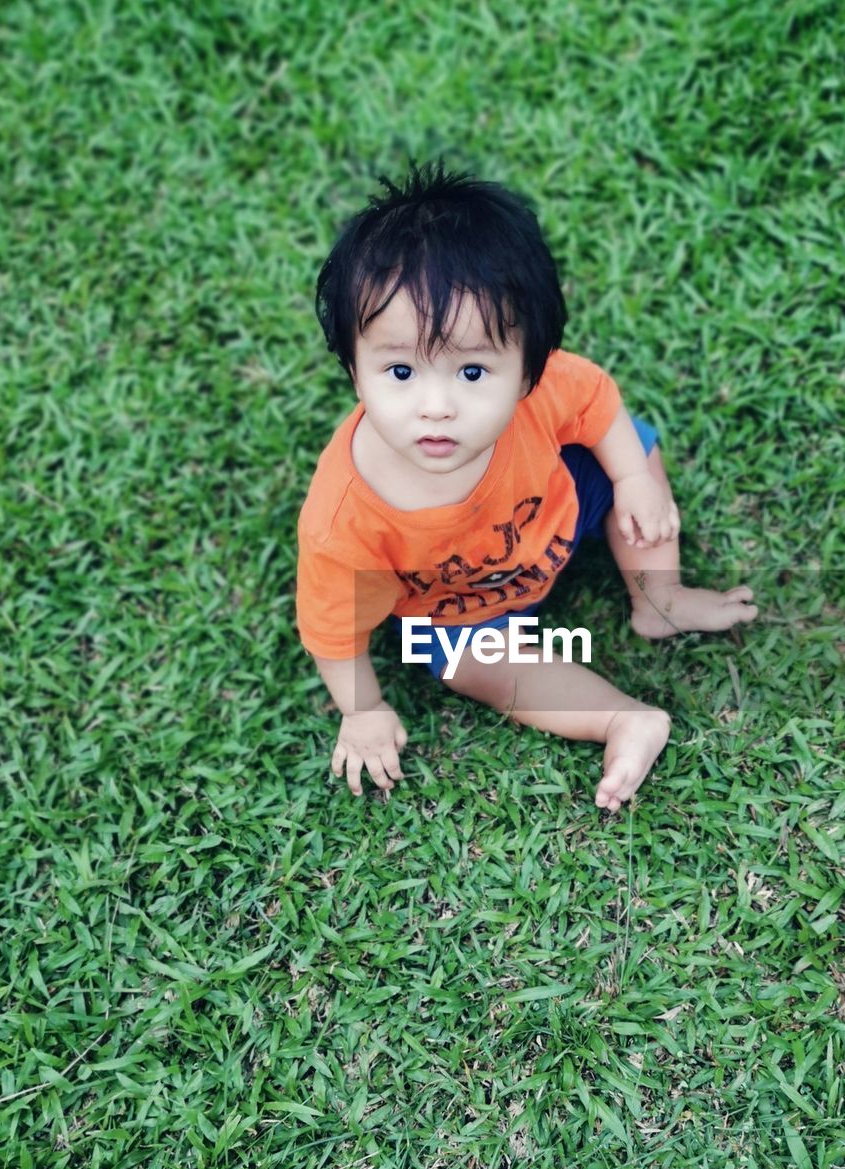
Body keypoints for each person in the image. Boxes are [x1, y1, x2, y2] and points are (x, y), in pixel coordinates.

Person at [297, 161, 758, 812]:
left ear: (527, 371)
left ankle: (660, 597)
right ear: (353, 368)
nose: (436, 406)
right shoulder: (346, 518)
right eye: (400, 370)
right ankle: (620, 719)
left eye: (473, 372)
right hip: (462, 610)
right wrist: (362, 708)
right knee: (473, 668)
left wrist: (631, 480)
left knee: (635, 445)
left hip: (558, 511)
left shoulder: (547, 392)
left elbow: (597, 401)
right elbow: (334, 629)